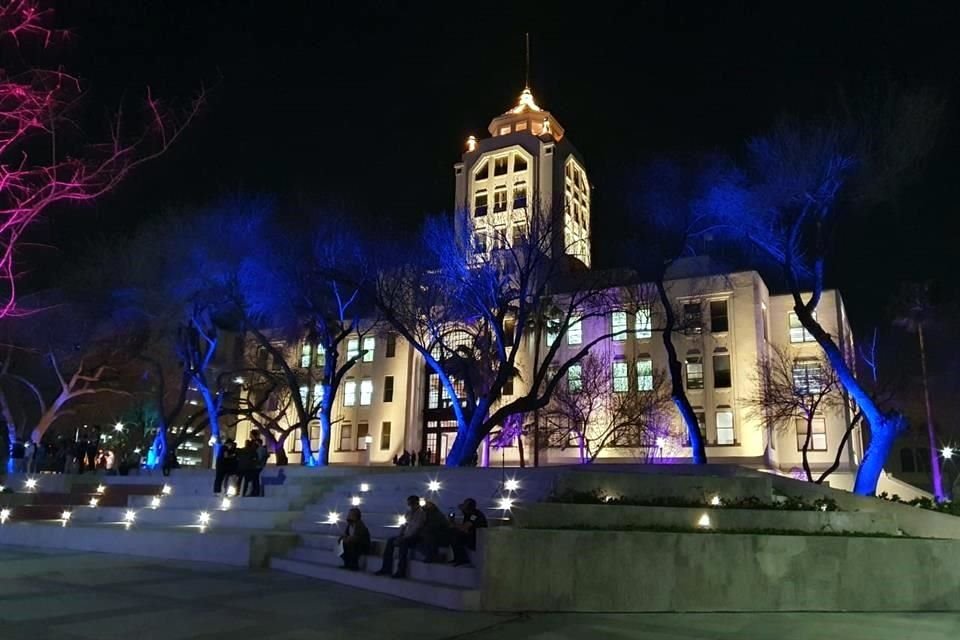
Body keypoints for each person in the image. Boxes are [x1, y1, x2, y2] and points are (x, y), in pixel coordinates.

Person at [375, 495, 425, 579]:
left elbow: (416, 529)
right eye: (409, 504)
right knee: (390, 541)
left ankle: (401, 571)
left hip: (416, 537)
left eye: (411, 504)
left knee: (403, 544)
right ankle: (386, 568)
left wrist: (403, 538)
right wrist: (400, 535)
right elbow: (404, 525)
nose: (410, 506)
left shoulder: (421, 514)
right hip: (405, 536)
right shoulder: (408, 512)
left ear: (416, 503)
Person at [449, 498, 487, 566]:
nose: (462, 506)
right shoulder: (469, 514)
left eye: (465, 504)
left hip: (476, 538)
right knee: (452, 533)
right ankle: (457, 558)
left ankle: (462, 559)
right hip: (471, 535)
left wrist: (454, 524)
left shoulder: (474, 515)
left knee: (456, 536)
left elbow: (466, 527)